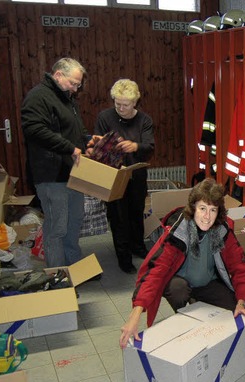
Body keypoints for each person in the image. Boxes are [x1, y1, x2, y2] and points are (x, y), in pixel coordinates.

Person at [119, 178, 245, 349]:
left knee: (232, 308)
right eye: (202, 209)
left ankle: (197, 301)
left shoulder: (221, 231)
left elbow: (240, 266)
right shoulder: (179, 232)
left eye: (213, 210)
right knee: (179, 290)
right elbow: (155, 272)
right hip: (180, 282)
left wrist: (241, 302)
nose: (207, 216)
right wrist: (135, 316)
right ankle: (184, 312)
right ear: (193, 208)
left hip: (207, 282)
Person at [20, 57, 89, 268]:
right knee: (57, 228)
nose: (76, 89)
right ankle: (59, 276)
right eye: (73, 83)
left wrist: (89, 140)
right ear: (58, 75)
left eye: (78, 85)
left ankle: (74, 268)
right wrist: (70, 148)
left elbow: (76, 130)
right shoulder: (38, 97)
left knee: (74, 222)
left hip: (72, 173)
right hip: (51, 175)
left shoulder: (67, 98)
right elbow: (34, 130)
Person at [90, 79, 155, 274]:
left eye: (125, 105)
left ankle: (138, 247)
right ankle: (123, 257)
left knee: (136, 213)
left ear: (135, 102)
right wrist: (100, 143)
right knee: (118, 218)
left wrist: (135, 146)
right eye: (117, 103)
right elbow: (96, 144)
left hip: (136, 176)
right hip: (113, 176)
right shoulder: (105, 117)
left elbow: (149, 147)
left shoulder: (145, 120)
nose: (120, 108)